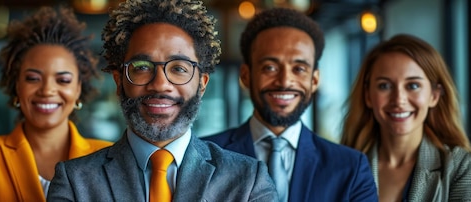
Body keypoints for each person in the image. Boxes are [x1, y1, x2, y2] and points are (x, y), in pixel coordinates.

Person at [46, 0, 279, 201]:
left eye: (178, 68)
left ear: (202, 83)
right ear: (119, 81)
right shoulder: (75, 182)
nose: (159, 84)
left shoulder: (248, 180)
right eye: (141, 67)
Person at [202, 8, 378, 202]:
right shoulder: (202, 156)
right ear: (245, 76)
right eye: (270, 67)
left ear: (314, 80)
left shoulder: (350, 168)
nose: (285, 81)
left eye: (299, 69)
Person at [0, 7, 112, 202]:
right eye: (33, 78)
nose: (47, 90)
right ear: (16, 84)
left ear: (78, 89)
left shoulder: (109, 158)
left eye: (63, 80)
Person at [341, 34, 471, 201]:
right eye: (385, 86)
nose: (398, 100)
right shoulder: (343, 166)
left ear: (434, 95)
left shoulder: (460, 167)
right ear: (368, 96)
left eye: (413, 85)